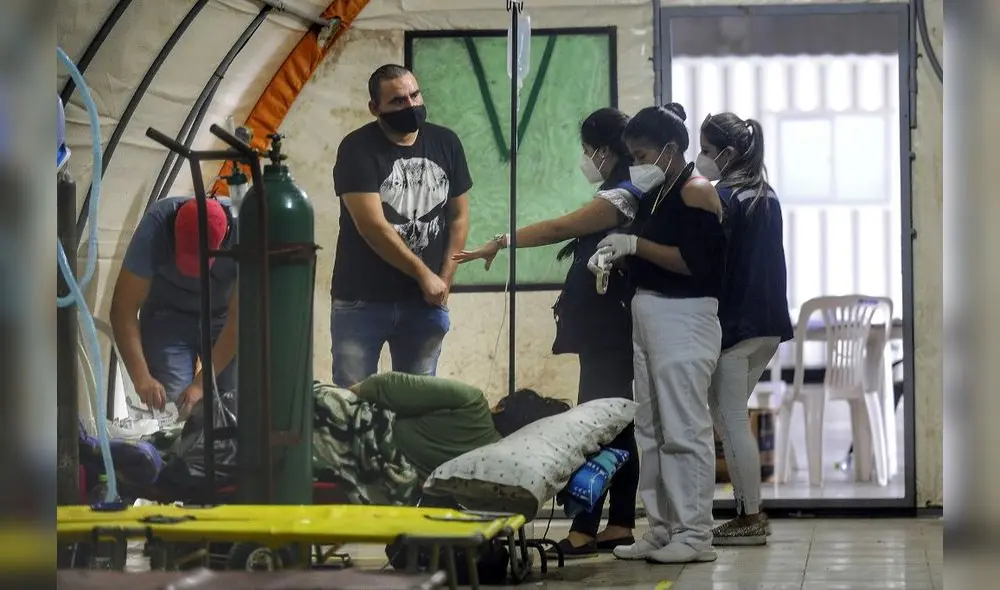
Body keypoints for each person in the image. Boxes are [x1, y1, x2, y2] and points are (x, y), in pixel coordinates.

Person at [454, 107, 640, 558]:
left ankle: (584, 528)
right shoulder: (627, 190)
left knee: (597, 423)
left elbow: (560, 227)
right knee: (616, 422)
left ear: (604, 150)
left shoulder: (621, 196)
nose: (585, 159)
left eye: (587, 150)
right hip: (609, 327)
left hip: (608, 330)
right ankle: (617, 523)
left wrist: (501, 242)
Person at [590, 103, 727, 564]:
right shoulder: (659, 191)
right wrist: (618, 257)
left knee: (684, 428)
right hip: (650, 314)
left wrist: (635, 244)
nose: (636, 164)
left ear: (670, 149)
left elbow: (694, 263)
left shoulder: (695, 191)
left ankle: (695, 534)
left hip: (683, 317)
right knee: (651, 429)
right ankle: (663, 528)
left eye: (642, 155)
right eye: (632, 156)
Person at [330, 64, 473, 387]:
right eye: (398, 101)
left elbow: (459, 217)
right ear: (374, 108)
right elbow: (372, 226)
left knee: (417, 400)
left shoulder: (446, 142)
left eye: (415, 95)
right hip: (361, 300)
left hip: (423, 304)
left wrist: (444, 279)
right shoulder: (356, 148)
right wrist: (424, 275)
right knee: (353, 398)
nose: (411, 105)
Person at [697, 112, 794, 546]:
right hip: (769, 326)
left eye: (706, 150)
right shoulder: (766, 195)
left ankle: (750, 517)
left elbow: (712, 263)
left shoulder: (724, 197)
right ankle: (746, 512)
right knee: (727, 415)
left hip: (736, 325)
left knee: (730, 418)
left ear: (729, 153)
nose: (700, 157)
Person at [312, 372, 571, 506]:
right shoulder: (501, 470)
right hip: (378, 482)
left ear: (501, 407)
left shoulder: (472, 403)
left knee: (321, 401)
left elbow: (390, 386)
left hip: (345, 427)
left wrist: (347, 395)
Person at [110, 196, 238, 418]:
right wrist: (142, 378)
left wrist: (200, 386)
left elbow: (240, 320)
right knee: (173, 405)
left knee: (230, 403)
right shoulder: (155, 228)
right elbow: (123, 310)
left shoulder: (245, 232)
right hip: (167, 314)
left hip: (222, 317)